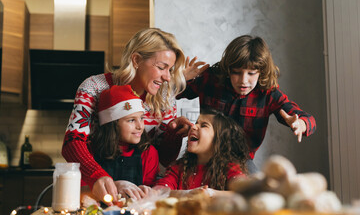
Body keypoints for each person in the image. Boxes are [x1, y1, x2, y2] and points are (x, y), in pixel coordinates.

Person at [62, 28, 206, 205]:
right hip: (93, 190)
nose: (168, 77)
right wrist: (96, 176)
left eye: (170, 69)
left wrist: (172, 133)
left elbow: (162, 159)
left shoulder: (164, 99)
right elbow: (72, 143)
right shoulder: (94, 87)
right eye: (161, 67)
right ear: (136, 60)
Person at [173, 35, 316, 172]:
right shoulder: (211, 79)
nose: (243, 81)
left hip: (240, 161)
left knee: (255, 192)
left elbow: (308, 119)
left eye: (251, 73)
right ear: (228, 70)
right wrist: (181, 79)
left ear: (261, 72)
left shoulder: (268, 94)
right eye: (236, 72)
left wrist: (300, 124)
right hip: (202, 155)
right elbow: (175, 93)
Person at [85, 85, 158, 203]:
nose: (140, 126)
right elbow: (79, 192)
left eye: (141, 118)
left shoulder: (149, 153)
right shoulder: (89, 151)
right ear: (112, 124)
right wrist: (114, 186)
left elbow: (152, 196)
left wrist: (149, 193)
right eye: (131, 120)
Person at [153, 108, 249, 195]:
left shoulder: (230, 168)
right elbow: (161, 191)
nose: (193, 127)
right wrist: (187, 194)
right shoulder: (178, 168)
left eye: (203, 125)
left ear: (220, 140)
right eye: (196, 123)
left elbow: (244, 191)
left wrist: (210, 194)